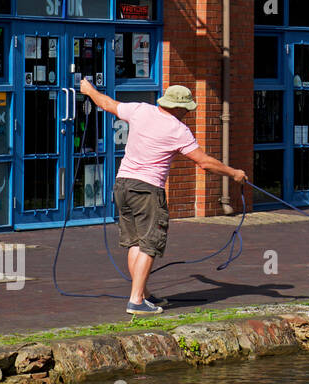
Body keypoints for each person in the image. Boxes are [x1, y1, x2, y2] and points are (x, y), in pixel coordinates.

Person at [79, 79, 245, 316]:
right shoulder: (177, 130)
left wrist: (89, 90)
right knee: (150, 243)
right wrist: (234, 173)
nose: (188, 113)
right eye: (187, 109)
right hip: (148, 189)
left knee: (136, 242)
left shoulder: (140, 110)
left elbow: (106, 103)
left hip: (122, 185)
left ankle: (143, 293)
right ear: (177, 108)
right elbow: (204, 162)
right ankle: (136, 300)